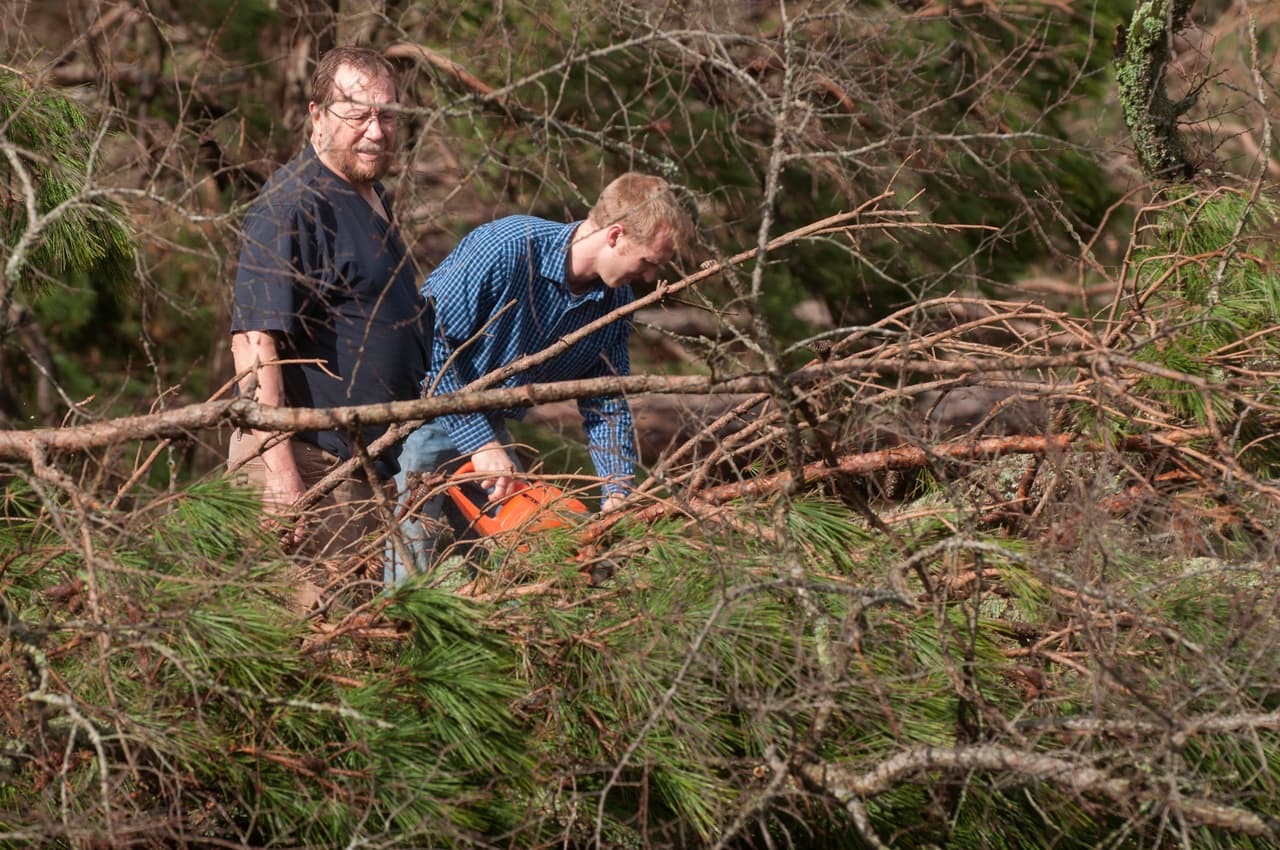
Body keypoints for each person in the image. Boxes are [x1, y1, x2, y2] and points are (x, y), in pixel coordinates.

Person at [386, 173, 695, 582]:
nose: (649, 276)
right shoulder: (508, 248)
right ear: (616, 235)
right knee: (409, 570)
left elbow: (606, 401)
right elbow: (427, 346)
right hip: (419, 412)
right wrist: (481, 443)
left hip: (489, 424)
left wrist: (617, 490)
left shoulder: (613, 301)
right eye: (648, 262)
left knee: (521, 561)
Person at [228, 46, 429, 604]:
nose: (376, 131)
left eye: (387, 116)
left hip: (360, 472)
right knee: (306, 650)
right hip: (309, 468)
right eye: (357, 114)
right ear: (318, 114)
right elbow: (254, 341)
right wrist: (280, 474)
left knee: (351, 653)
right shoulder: (291, 203)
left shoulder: (372, 196)